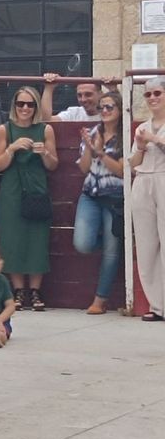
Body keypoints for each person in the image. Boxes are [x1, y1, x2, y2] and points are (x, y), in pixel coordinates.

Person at [0, 86, 58, 311]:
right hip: (12, 189)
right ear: (14, 106)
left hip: (37, 188)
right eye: (21, 104)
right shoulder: (5, 129)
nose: (25, 108)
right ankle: (19, 290)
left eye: (30, 104)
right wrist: (11, 149)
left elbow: (53, 165)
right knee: (12, 239)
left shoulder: (45, 130)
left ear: (36, 107)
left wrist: (45, 153)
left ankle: (36, 291)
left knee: (37, 239)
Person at [76, 92, 126, 314]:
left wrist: (101, 154)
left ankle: (100, 299)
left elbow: (123, 171)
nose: (104, 111)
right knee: (83, 243)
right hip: (91, 194)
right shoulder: (94, 132)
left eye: (110, 107)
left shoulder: (126, 136)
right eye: (102, 107)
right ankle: (110, 245)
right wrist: (89, 147)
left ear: (119, 110)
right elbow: (84, 168)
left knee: (111, 252)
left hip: (115, 197)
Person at [131, 77, 165, 322]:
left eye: (157, 93)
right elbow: (132, 163)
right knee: (146, 245)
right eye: (148, 94)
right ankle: (157, 305)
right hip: (143, 179)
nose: (153, 98)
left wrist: (154, 140)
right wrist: (142, 146)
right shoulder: (142, 127)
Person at [41, 73, 119, 122]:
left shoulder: (109, 113)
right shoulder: (73, 113)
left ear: (100, 94)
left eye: (88, 94)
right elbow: (47, 120)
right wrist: (49, 88)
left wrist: (113, 90)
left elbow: (123, 117)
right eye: (79, 95)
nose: (83, 99)